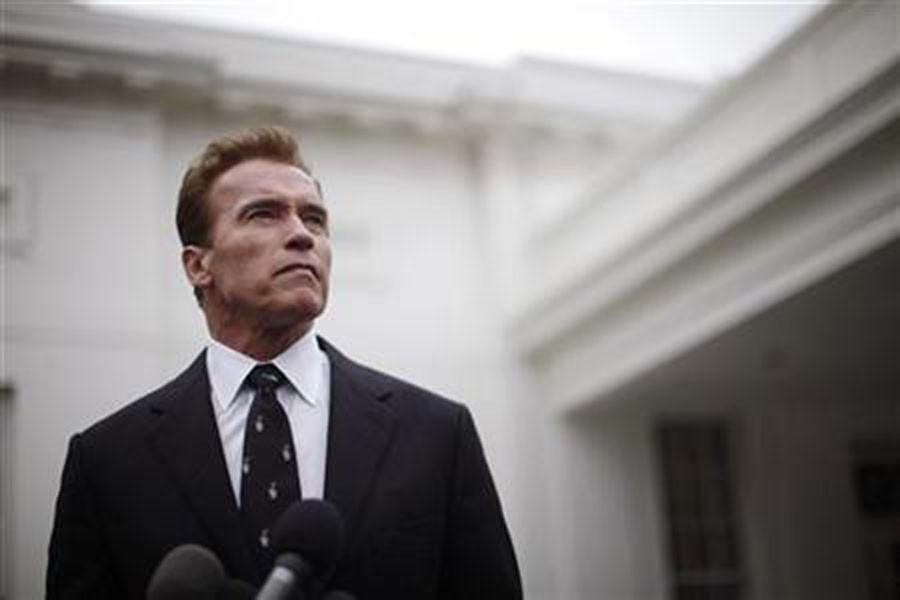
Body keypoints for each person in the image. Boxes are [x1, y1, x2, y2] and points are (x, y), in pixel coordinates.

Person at [46, 126, 522, 599]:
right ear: (198, 265)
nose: (300, 234)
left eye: (314, 219)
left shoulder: (438, 435)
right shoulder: (107, 461)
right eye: (263, 215)